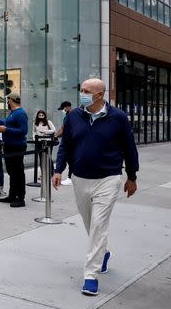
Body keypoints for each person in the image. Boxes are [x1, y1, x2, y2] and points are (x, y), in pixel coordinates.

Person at [52, 78, 139, 296]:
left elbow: (129, 148)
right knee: (90, 222)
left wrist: (132, 176)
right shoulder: (74, 117)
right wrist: (58, 169)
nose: (82, 93)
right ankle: (103, 253)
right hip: (80, 178)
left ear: (100, 95)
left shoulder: (118, 117)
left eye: (86, 91)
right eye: (81, 89)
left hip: (108, 178)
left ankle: (90, 275)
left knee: (99, 224)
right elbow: (66, 145)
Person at [0, 92, 28, 207]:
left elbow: (23, 131)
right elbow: (7, 123)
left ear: (12, 100)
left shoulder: (20, 113)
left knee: (18, 171)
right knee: (11, 171)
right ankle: (12, 195)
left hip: (17, 146)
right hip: (9, 145)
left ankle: (20, 198)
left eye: (8, 100)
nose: (7, 102)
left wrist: (6, 130)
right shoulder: (13, 113)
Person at [33, 109, 56, 180]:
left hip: (48, 142)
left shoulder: (48, 122)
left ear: (45, 116)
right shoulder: (35, 123)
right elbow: (33, 131)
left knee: (48, 157)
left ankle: (51, 172)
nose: (41, 116)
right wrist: (34, 138)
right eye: (39, 115)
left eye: (42, 115)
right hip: (39, 142)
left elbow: (53, 130)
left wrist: (44, 131)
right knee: (41, 158)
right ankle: (43, 173)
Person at [56, 101, 74, 185]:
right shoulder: (68, 115)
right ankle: (71, 177)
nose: (63, 110)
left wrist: (55, 136)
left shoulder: (70, 115)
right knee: (70, 160)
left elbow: (63, 129)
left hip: (70, 141)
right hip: (70, 140)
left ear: (67, 107)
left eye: (63, 108)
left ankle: (70, 178)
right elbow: (62, 128)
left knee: (70, 160)